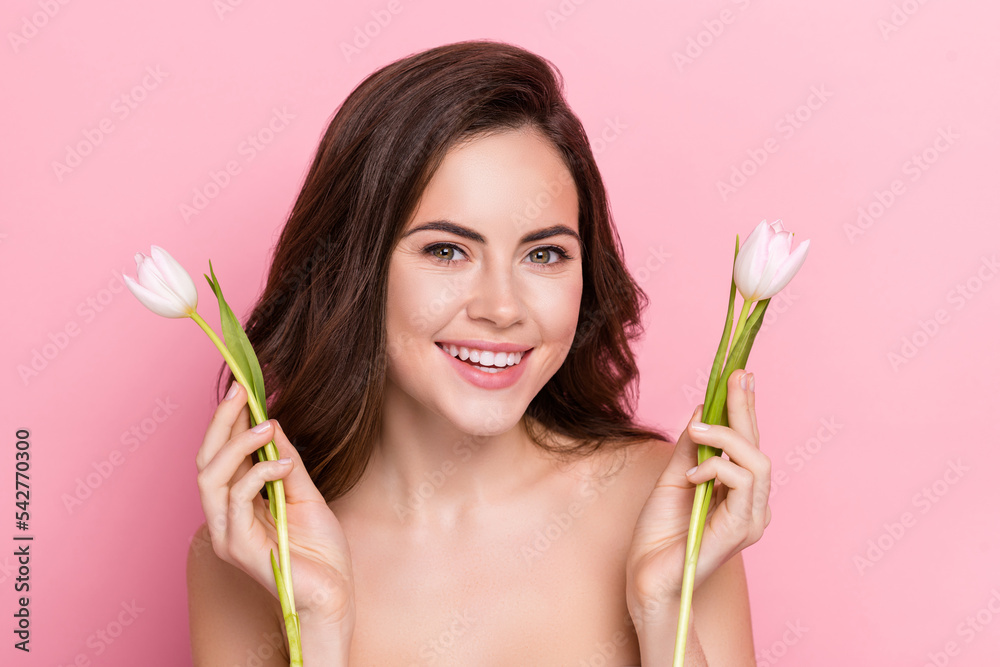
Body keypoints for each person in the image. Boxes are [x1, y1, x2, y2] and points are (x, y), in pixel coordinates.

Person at [186, 39, 771, 665]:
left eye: (543, 254)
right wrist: (318, 625)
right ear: (352, 269)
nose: (501, 307)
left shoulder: (669, 501)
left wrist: (664, 612)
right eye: (446, 250)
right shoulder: (255, 547)